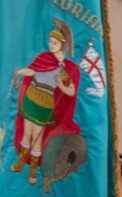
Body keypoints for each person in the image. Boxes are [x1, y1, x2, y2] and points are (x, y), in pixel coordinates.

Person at [11, 19, 81, 186]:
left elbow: (71, 91)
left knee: (38, 136)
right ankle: (21, 163)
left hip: (45, 102)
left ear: (62, 44)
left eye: (55, 42)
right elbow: (32, 70)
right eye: (50, 41)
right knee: (27, 133)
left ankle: (33, 170)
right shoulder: (43, 57)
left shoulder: (65, 68)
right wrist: (21, 72)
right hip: (32, 96)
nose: (51, 45)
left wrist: (61, 85)